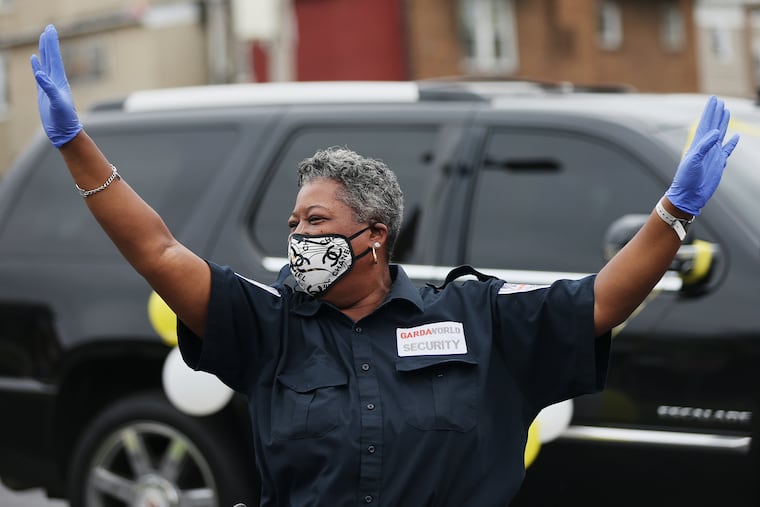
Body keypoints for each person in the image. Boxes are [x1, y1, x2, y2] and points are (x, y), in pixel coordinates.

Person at [30, 24, 739, 507]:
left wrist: (673, 212)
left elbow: (600, 302)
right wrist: (74, 145)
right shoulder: (270, 326)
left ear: (373, 235)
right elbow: (159, 250)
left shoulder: (476, 319)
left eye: (316, 222)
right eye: (291, 224)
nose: (298, 237)